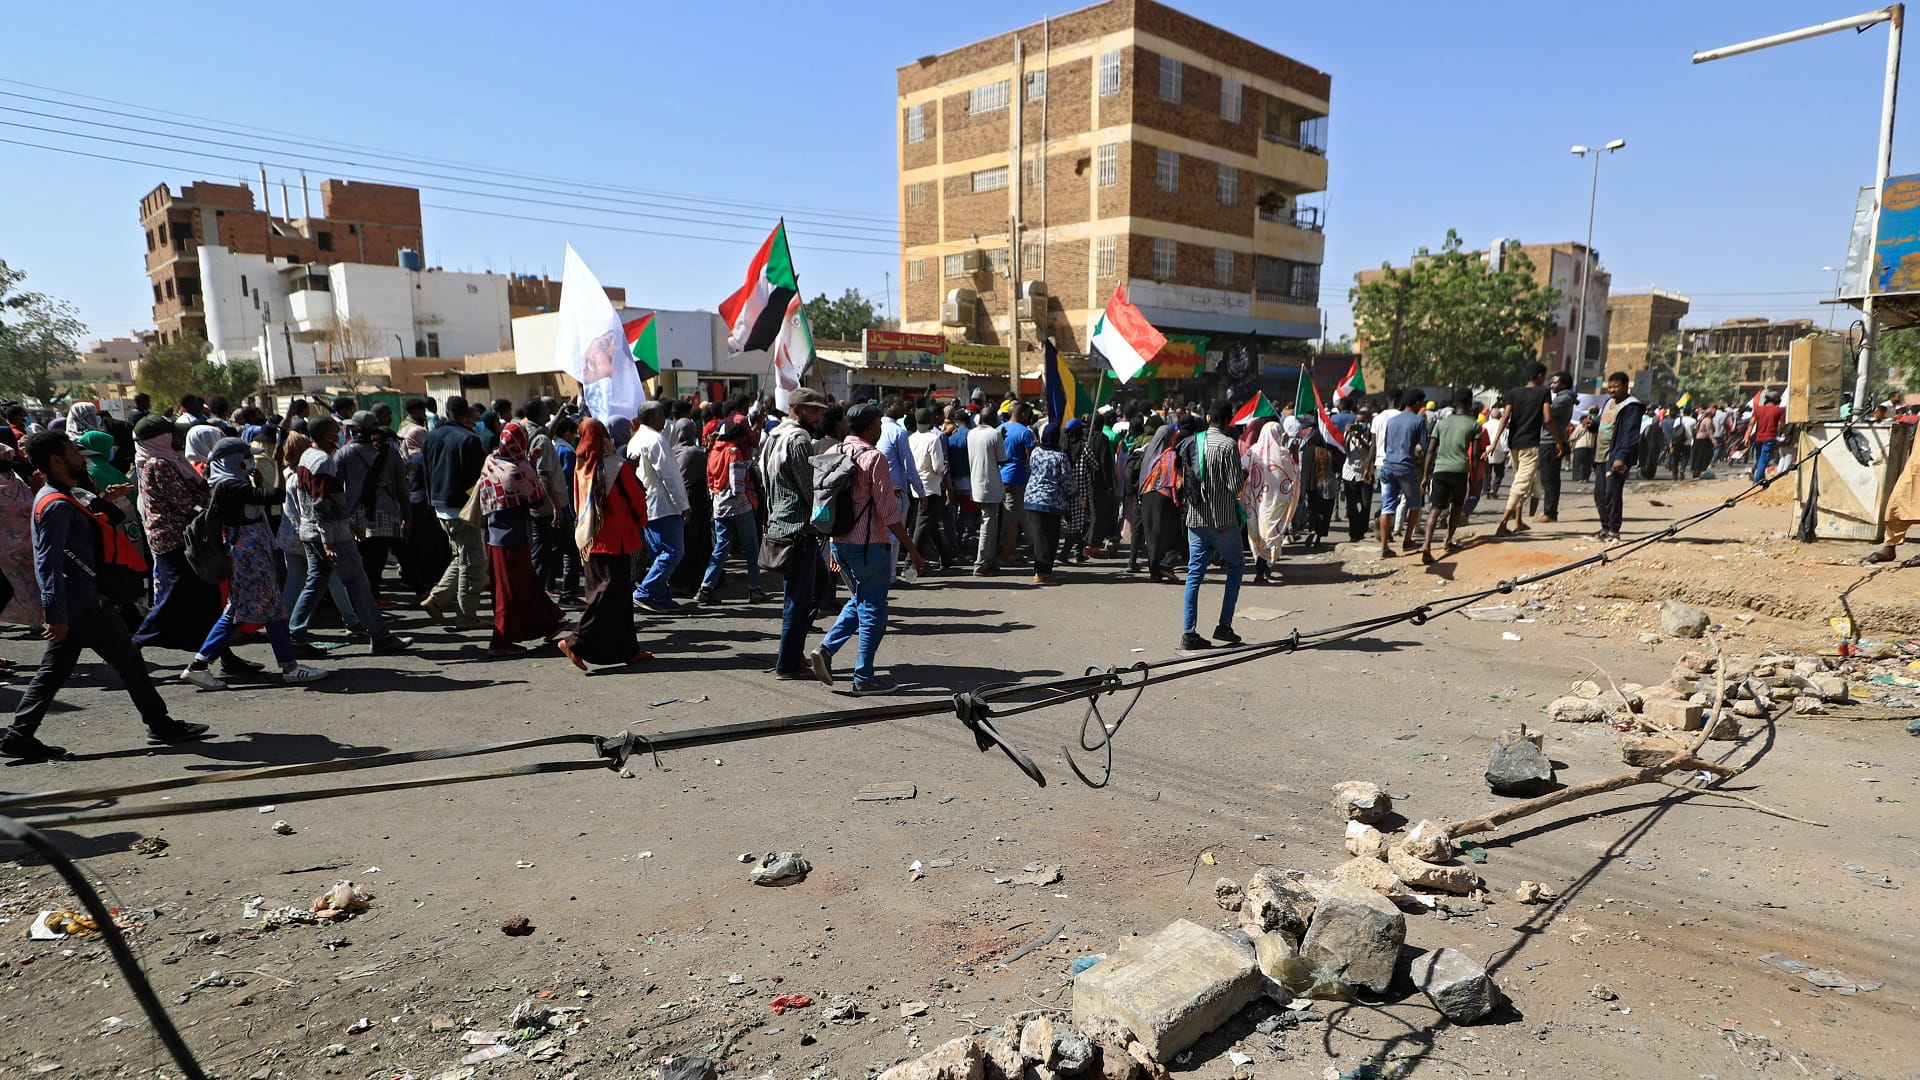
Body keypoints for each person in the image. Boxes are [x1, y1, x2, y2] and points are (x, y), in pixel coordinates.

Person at [1, 432, 209, 761]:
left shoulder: (60, 496)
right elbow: (48, 561)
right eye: (72, 452)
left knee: (55, 669)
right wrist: (54, 614)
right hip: (82, 603)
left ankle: (19, 734)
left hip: (80, 601)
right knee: (129, 662)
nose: (81, 458)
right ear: (56, 460)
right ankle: (161, 724)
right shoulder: (54, 503)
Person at [179, 438, 328, 689]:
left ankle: (202, 665)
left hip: (248, 552)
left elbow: (256, 505)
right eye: (247, 457)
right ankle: (286, 667)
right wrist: (279, 463)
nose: (251, 462)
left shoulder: (228, 484)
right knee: (251, 610)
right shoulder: (230, 485)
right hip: (249, 554)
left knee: (257, 610)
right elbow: (275, 496)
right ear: (235, 460)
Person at [807, 403, 925, 695]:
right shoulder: (874, 458)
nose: (882, 429)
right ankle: (864, 677)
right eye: (879, 425)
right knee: (873, 609)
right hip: (868, 545)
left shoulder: (834, 452)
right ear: (871, 427)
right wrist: (912, 550)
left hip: (839, 542)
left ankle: (826, 649)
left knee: (860, 599)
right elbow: (889, 514)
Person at [289, 418, 414, 653]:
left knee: (315, 582)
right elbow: (322, 504)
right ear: (327, 434)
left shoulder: (307, 456)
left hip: (312, 531)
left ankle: (295, 635)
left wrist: (347, 522)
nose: (341, 434)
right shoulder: (323, 461)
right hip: (332, 535)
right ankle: (380, 636)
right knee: (358, 583)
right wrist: (329, 539)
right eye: (336, 431)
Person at [130, 414, 228, 658]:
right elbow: (184, 501)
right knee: (170, 600)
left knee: (206, 600)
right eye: (173, 434)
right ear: (160, 438)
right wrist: (212, 506)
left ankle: (221, 654)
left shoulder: (172, 460)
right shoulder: (159, 464)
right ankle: (131, 649)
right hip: (173, 541)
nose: (179, 438)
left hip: (185, 538)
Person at [557, 417, 649, 670]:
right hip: (615, 540)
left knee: (611, 596)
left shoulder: (581, 466)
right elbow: (637, 500)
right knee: (607, 596)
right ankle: (575, 642)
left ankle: (629, 649)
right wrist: (641, 521)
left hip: (588, 539)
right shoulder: (615, 466)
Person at [477, 421, 565, 656]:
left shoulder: (491, 461)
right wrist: (530, 465)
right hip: (514, 539)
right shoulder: (520, 470)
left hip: (493, 537)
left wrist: (527, 461)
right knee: (511, 592)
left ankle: (549, 623)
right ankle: (500, 642)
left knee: (522, 586)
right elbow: (536, 500)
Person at [761, 387, 829, 678]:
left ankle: (792, 653)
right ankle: (787, 664)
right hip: (798, 529)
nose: (818, 415)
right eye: (814, 410)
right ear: (798, 410)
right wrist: (827, 521)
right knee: (798, 599)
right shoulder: (799, 439)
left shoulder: (775, 435)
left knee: (817, 588)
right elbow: (808, 487)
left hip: (780, 521)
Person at [1176, 402, 1246, 650]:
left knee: (1194, 573)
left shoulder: (1192, 442)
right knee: (1236, 565)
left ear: (1207, 417)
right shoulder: (1228, 445)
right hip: (1222, 520)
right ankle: (1224, 625)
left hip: (1195, 519)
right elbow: (1236, 487)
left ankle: (1189, 632)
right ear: (1229, 421)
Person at [422, 396, 488, 629]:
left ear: (447, 411)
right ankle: (466, 615)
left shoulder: (431, 436)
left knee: (461, 558)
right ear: (466, 414)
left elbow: (426, 472)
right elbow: (477, 481)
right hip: (463, 509)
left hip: (441, 507)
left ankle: (436, 600)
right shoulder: (469, 439)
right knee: (474, 565)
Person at [627, 401, 692, 613]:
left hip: (647, 504)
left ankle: (660, 596)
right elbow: (669, 475)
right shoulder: (655, 439)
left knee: (659, 553)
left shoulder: (635, 439)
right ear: (655, 417)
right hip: (663, 505)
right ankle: (646, 591)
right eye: (663, 415)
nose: (665, 420)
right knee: (673, 551)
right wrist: (683, 505)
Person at [337, 412, 408, 602]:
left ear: (357, 430)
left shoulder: (345, 452)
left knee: (362, 560)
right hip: (387, 511)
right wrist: (407, 516)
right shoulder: (391, 452)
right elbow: (402, 488)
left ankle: (366, 599)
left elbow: (335, 484)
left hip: (357, 513)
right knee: (377, 561)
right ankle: (373, 598)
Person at [698, 421, 765, 605]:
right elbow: (737, 484)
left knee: (721, 547)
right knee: (752, 548)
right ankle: (754, 588)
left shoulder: (714, 451)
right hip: (739, 506)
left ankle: (706, 586)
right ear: (740, 437)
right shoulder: (733, 452)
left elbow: (710, 481)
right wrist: (749, 487)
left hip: (719, 505)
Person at [1495, 364, 1561, 536]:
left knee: (1521, 480)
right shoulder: (1543, 393)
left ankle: (1518, 521)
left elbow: (1504, 418)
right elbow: (1548, 418)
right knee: (1521, 484)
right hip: (1530, 444)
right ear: (1540, 375)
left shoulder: (1513, 393)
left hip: (1514, 443)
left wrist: (1495, 443)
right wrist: (1558, 441)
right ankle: (1503, 523)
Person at [1423, 392, 1483, 562]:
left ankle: (1426, 545)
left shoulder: (1441, 423)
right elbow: (1475, 455)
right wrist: (1474, 479)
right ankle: (1448, 541)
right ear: (1470, 403)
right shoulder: (1474, 425)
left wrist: (1425, 475)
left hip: (1440, 469)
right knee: (1456, 506)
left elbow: (1430, 450)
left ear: (1455, 403)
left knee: (1435, 508)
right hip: (1460, 470)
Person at [1377, 388, 1429, 558]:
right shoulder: (1418, 421)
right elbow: (1424, 448)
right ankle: (1407, 540)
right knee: (1415, 505)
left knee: (1387, 507)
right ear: (1417, 403)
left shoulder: (1392, 421)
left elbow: (1385, 446)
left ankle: (1384, 546)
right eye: (1421, 402)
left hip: (1388, 466)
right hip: (1406, 467)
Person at [1593, 372, 1645, 542]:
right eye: (1610, 387)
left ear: (1625, 386)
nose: (1612, 390)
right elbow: (1604, 423)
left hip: (1615, 456)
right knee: (1600, 494)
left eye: (1616, 387)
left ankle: (1614, 530)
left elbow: (1630, 434)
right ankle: (1605, 528)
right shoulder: (1608, 403)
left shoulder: (1632, 406)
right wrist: (1592, 425)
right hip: (1600, 456)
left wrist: (1621, 457)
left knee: (1612, 493)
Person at [1243, 418, 1298, 578]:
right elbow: (1294, 474)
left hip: (1256, 503)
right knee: (1271, 534)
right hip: (1275, 504)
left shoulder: (1252, 451)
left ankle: (1262, 568)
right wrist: (1294, 452)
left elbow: (1242, 470)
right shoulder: (1284, 454)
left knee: (1259, 534)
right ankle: (1262, 570)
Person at [1137, 416, 1187, 583]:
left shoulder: (1148, 454)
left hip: (1146, 496)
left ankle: (1155, 571)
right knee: (1173, 534)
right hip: (1164, 498)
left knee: (1152, 536)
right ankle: (1165, 565)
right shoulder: (1171, 455)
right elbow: (1177, 479)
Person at [1023, 420, 1074, 584]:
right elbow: (1067, 480)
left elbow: (1032, 468)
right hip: (1052, 501)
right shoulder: (1060, 456)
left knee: (1039, 537)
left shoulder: (1036, 452)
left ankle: (1039, 570)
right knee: (1050, 537)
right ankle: (1043, 572)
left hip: (1031, 498)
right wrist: (1075, 496)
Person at [909, 408, 958, 570]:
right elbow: (937, 467)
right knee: (922, 526)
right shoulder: (933, 438)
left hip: (916, 487)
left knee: (931, 526)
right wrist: (945, 468)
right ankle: (911, 563)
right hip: (931, 488)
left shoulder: (911, 438)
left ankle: (946, 558)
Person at [968, 407, 1008, 575]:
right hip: (990, 486)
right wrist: (1002, 439)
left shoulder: (972, 433)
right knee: (988, 527)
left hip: (976, 485)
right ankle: (981, 564)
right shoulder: (995, 434)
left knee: (989, 525)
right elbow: (1002, 460)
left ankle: (989, 561)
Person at [997, 402, 1037, 564]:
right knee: (1012, 518)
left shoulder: (999, 429)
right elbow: (1032, 459)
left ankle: (1011, 550)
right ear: (1022, 414)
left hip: (999, 477)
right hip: (1016, 479)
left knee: (1008, 516)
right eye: (1027, 415)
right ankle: (1007, 554)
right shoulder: (1025, 432)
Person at [1341, 403, 1376, 543]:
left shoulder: (1371, 434)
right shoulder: (1349, 433)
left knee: (1366, 504)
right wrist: (1349, 433)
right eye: (1357, 421)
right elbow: (1343, 448)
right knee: (1351, 505)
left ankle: (1361, 530)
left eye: (1362, 422)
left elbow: (1371, 450)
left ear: (1368, 420)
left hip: (1365, 472)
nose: (1359, 424)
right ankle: (1353, 533)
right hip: (1349, 472)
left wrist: (1361, 437)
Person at [1747, 390, 1787, 481]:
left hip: (1758, 438)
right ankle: (1757, 481)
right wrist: (1786, 434)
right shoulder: (1779, 410)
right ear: (1776, 399)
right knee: (1763, 460)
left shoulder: (1758, 410)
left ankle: (1760, 477)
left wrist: (1747, 437)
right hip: (1769, 438)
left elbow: (1751, 423)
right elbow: (1782, 425)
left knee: (1759, 459)